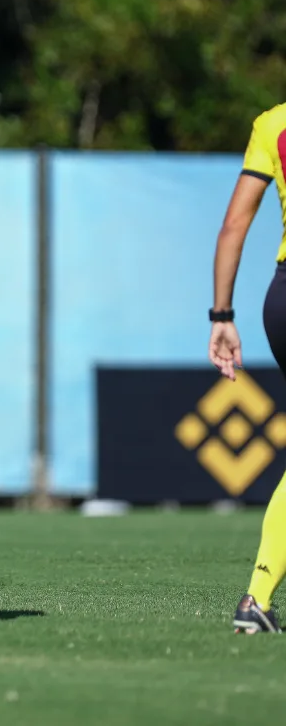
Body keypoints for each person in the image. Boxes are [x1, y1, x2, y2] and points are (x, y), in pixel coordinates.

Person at [211, 100, 286, 634]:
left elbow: (235, 223)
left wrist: (221, 315)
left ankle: (257, 599)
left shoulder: (273, 121)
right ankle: (256, 594)